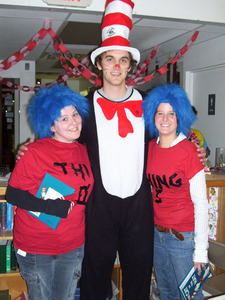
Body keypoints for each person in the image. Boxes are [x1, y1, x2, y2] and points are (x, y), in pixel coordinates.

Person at [16, 1, 206, 299]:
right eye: (110, 59)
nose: (116, 66)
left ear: (130, 65)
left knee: (138, 278)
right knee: (94, 278)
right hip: (98, 205)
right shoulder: (83, 108)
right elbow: (61, 141)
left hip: (139, 207)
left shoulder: (148, 105)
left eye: (123, 60)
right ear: (99, 64)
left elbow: (169, 138)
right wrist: (28, 149)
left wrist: (197, 150)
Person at [6, 84, 94, 300]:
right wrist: (50, 207)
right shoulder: (35, 152)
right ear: (51, 125)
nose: (73, 122)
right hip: (37, 245)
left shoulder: (85, 151)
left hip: (73, 244)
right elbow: (13, 195)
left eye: (75, 114)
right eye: (64, 118)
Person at [143, 83, 209, 300]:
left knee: (190, 296)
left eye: (171, 114)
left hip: (183, 238)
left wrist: (201, 250)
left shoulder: (190, 152)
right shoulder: (151, 147)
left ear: (179, 116)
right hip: (157, 235)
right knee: (167, 293)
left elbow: (201, 204)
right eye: (160, 113)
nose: (165, 118)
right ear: (152, 117)